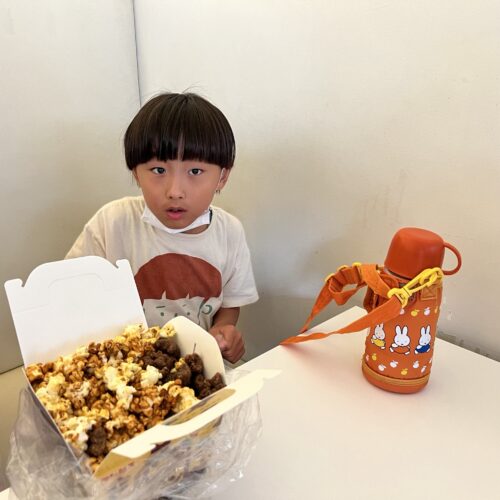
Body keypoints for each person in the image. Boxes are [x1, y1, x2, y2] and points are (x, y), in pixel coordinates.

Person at [66, 92, 258, 363]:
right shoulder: (112, 223)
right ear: (136, 172)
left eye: (195, 172)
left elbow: (229, 305)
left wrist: (224, 332)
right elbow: (70, 293)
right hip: (123, 366)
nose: (175, 191)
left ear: (222, 177)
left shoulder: (230, 232)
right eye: (158, 170)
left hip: (196, 365)